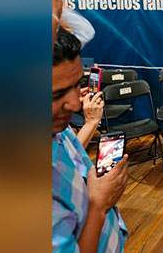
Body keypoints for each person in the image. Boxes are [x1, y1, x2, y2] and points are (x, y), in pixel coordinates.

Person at [52, 27, 130, 253]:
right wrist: (98, 206)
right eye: (57, 94)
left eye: (77, 84)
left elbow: (69, 151)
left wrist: (90, 123)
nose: (75, 104)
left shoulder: (54, 125)